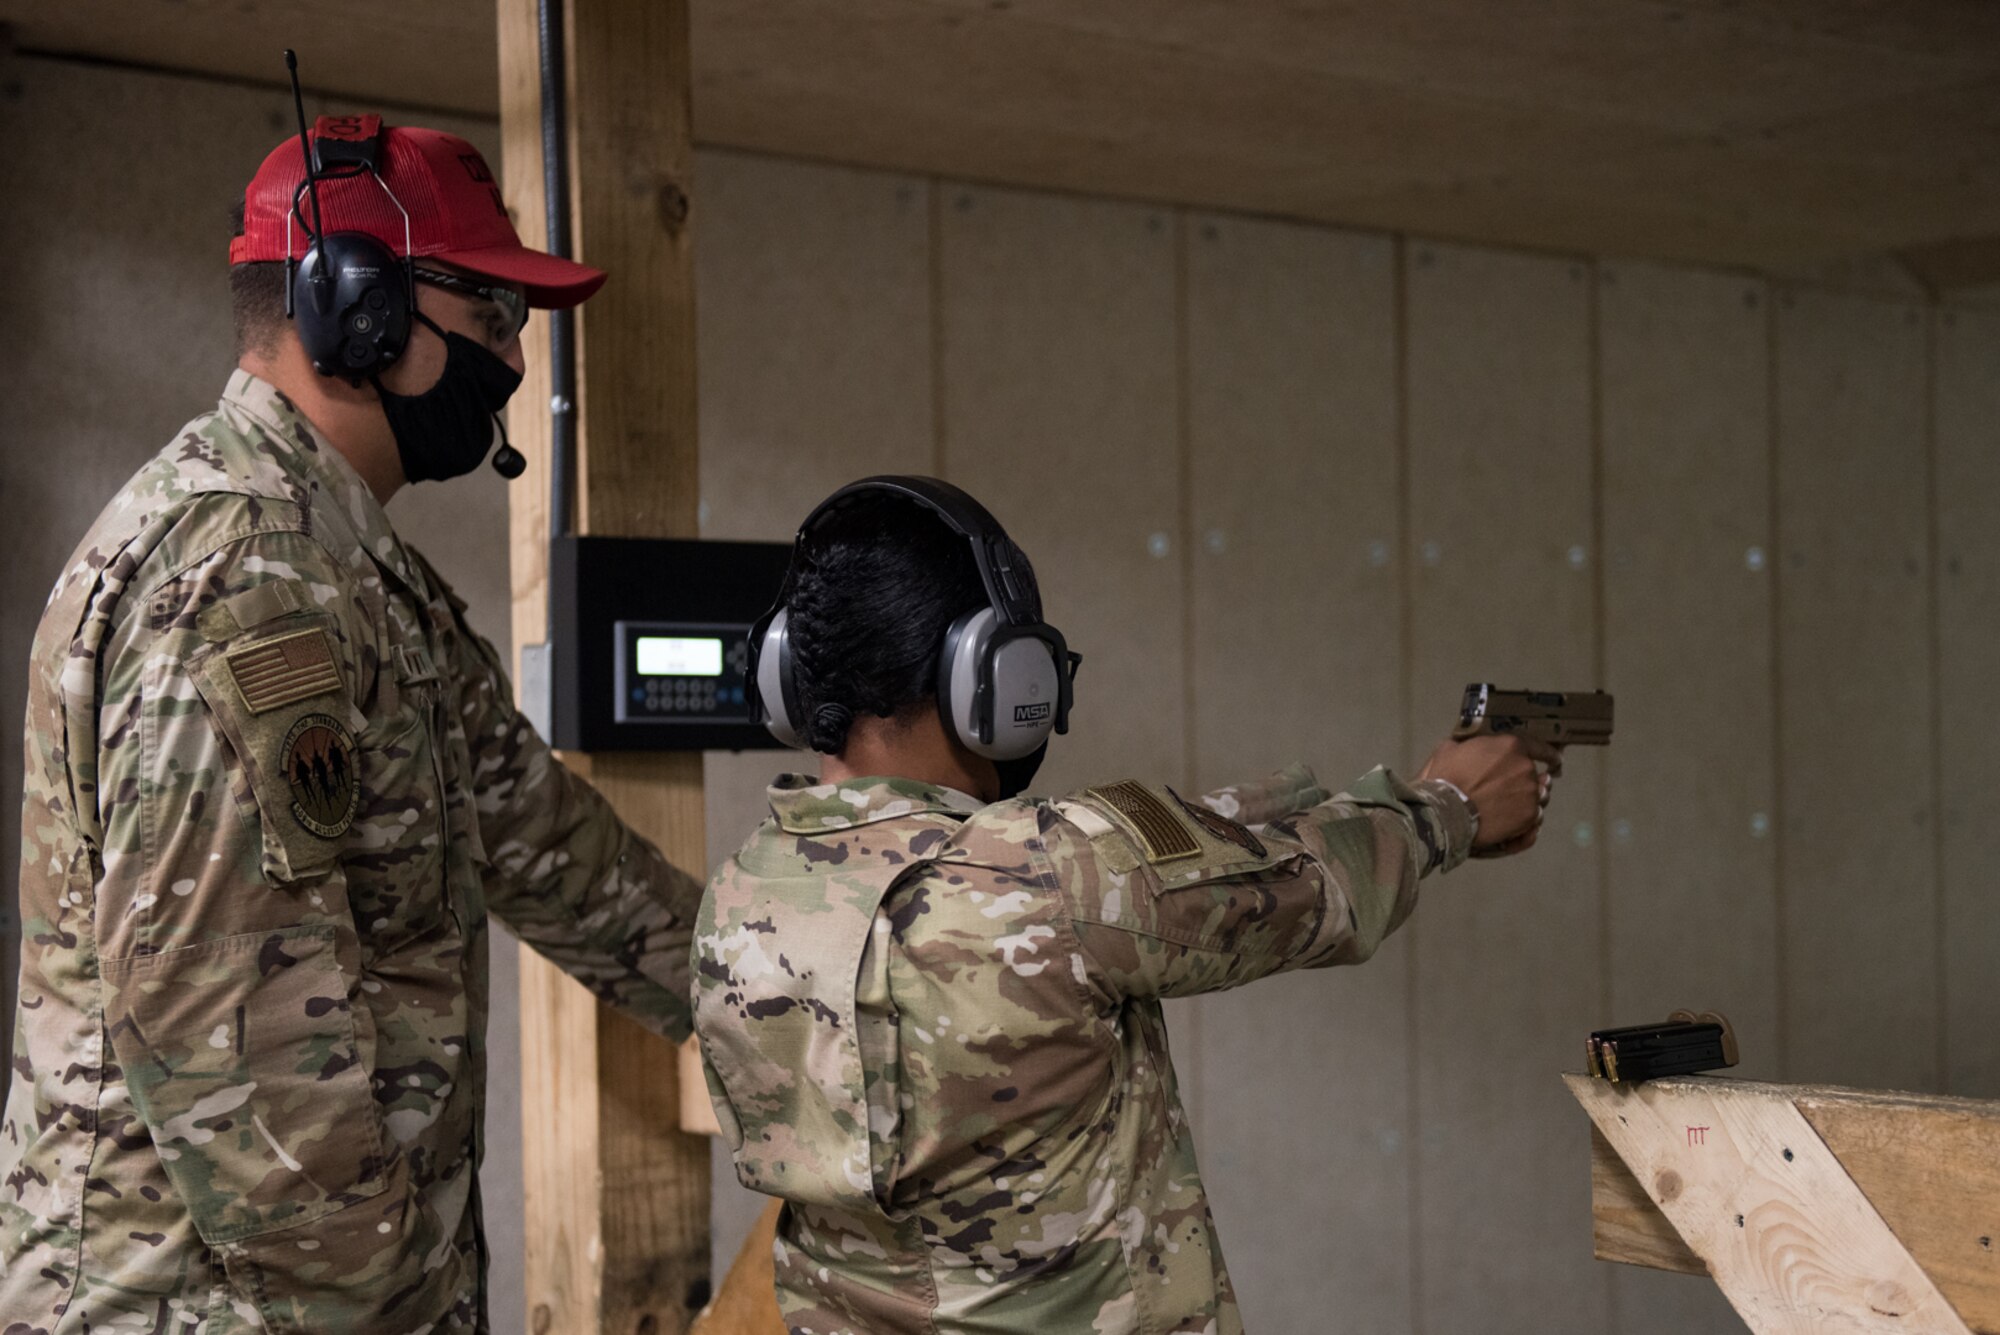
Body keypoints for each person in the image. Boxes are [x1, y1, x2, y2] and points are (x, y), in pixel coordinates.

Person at [1, 116, 702, 1332]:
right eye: (491, 317)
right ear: (362, 310)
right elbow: (235, 1048)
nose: (512, 362)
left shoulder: (356, 579)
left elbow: (560, 859)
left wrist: (823, 987)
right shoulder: (241, 581)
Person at [692, 478, 1559, 1334]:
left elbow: (1123, 861)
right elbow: (1321, 889)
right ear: (994, 672)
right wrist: (1451, 804)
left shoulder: (739, 901)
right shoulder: (1058, 870)